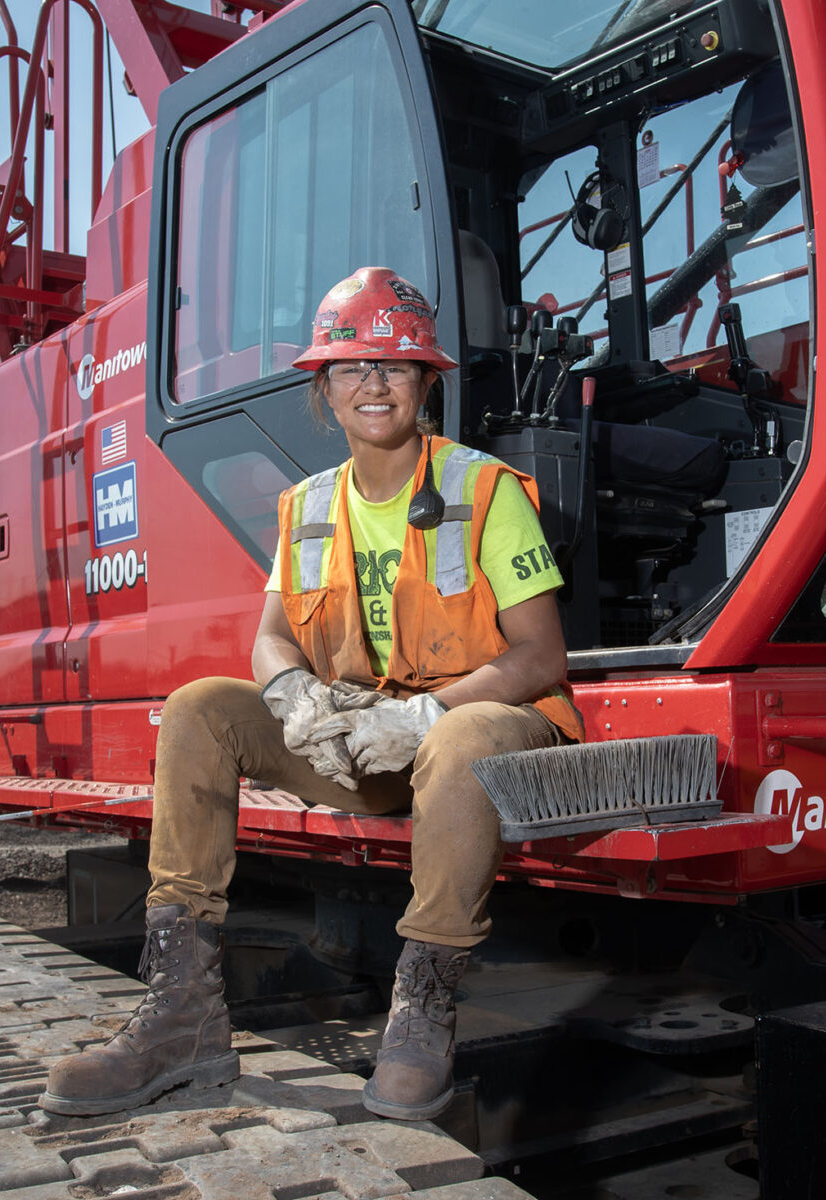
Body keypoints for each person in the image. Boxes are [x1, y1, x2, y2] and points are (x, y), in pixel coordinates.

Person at [41, 267, 583, 1122]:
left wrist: (423, 715)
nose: (375, 384)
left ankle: (424, 1005)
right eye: (353, 368)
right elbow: (271, 636)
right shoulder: (307, 508)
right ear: (324, 391)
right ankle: (181, 1012)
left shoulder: (484, 490)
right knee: (199, 710)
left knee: (466, 735)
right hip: (370, 746)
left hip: (490, 739)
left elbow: (540, 655)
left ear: (424, 383)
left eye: (396, 367)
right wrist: (294, 693)